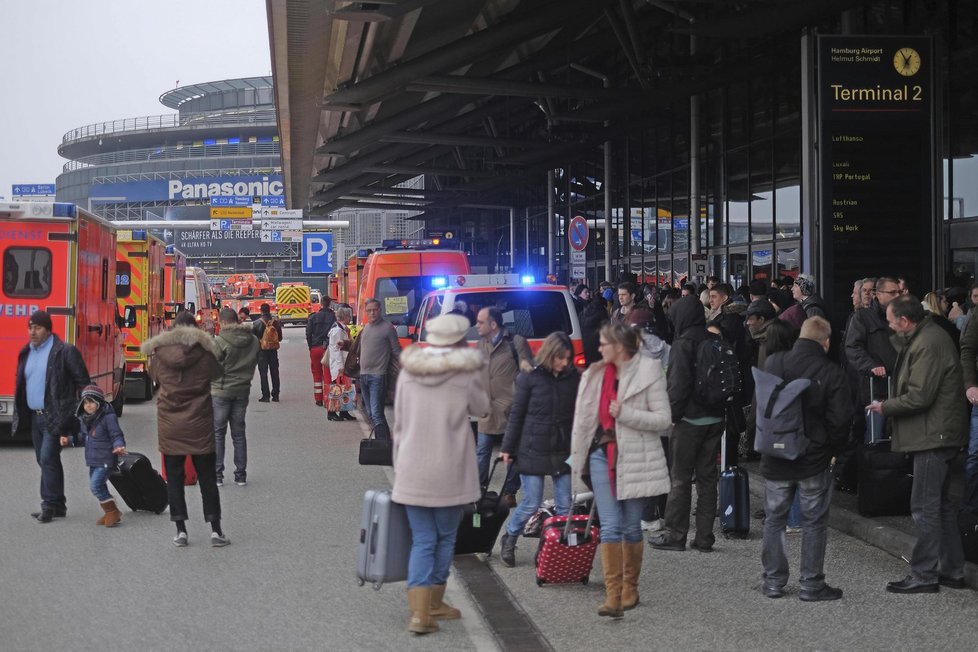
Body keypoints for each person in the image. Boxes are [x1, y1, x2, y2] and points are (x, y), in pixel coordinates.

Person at [391, 314, 489, 635]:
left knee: (422, 539)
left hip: (412, 468)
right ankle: (435, 602)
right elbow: (482, 407)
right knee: (445, 537)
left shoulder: (408, 371)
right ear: (461, 340)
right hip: (450, 470)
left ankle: (419, 615)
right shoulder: (464, 372)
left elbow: (400, 423)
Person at [570, 322, 671, 618]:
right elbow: (583, 420)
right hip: (602, 454)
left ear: (620, 347)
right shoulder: (596, 373)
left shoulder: (649, 370)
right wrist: (575, 456)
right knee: (611, 525)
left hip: (636, 456)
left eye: (604, 344)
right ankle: (612, 595)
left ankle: (631, 587)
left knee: (630, 526)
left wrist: (626, 413)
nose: (599, 349)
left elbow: (664, 420)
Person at [867, 295, 968, 593]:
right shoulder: (924, 336)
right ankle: (952, 570)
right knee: (944, 506)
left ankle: (924, 574)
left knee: (925, 508)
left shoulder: (928, 342)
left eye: (890, 321)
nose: (888, 326)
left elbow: (920, 395)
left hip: (932, 437)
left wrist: (886, 407)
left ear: (905, 321)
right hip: (942, 434)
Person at [759, 317, 851, 601]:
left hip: (775, 455)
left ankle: (773, 582)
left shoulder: (773, 362)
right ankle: (811, 584)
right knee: (813, 522)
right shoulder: (830, 371)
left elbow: (763, 406)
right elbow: (841, 420)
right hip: (813, 458)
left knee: (774, 519)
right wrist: (833, 450)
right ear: (826, 342)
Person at [143, 310, 228, 547]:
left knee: (175, 478)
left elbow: (155, 377)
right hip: (199, 422)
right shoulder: (204, 353)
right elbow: (218, 373)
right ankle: (215, 530)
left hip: (170, 424)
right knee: (207, 478)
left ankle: (181, 530)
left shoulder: (160, 354)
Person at [649, 295, 725, 553]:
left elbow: (678, 386)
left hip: (689, 420)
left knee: (680, 477)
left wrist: (669, 416)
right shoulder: (715, 339)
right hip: (715, 418)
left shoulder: (683, 344)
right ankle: (704, 538)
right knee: (707, 478)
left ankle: (675, 534)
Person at [498, 332, 580, 567]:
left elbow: (579, 415)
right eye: (560, 358)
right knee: (531, 501)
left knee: (565, 505)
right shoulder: (529, 378)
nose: (565, 363)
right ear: (549, 355)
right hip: (532, 448)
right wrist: (508, 448)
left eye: (568, 358)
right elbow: (517, 415)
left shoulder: (573, 379)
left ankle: (552, 548)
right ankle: (510, 536)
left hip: (562, 448)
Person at [14, 310, 91, 523]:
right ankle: (58, 504)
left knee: (48, 457)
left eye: (37, 328)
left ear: (48, 330)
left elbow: (82, 380)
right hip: (34, 416)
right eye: (30, 327)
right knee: (44, 459)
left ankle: (48, 505)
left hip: (56, 415)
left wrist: (84, 410)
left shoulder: (64, 351)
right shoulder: (27, 352)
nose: (33, 331)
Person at [475, 306, 533, 507]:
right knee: (482, 451)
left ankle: (510, 491)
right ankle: (479, 490)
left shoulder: (516, 343)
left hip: (511, 408)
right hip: (486, 408)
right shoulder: (480, 345)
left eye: (481, 322)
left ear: (493, 324)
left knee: (512, 453)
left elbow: (528, 373)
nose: (477, 325)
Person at [212, 307, 259, 487]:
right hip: (242, 390)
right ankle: (241, 475)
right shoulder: (253, 340)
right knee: (239, 434)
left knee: (218, 433)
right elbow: (255, 360)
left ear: (223, 322)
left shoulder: (220, 341)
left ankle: (217, 476)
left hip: (221, 391)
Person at [75, 385, 127, 527]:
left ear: (99, 403)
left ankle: (112, 512)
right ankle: (112, 512)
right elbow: (82, 437)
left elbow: (116, 434)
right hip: (93, 460)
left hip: (105, 459)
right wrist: (69, 439)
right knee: (99, 485)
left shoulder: (108, 418)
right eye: (85, 403)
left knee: (95, 486)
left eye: (91, 402)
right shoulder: (86, 420)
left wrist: (118, 445)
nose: (88, 406)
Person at [357, 298, 402, 435]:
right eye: (369, 310)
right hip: (363, 375)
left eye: (375, 310)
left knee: (376, 413)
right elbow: (360, 348)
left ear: (380, 310)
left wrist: (408, 367)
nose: (372, 313)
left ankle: (382, 444)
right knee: (371, 412)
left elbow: (396, 351)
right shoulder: (366, 328)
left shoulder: (387, 328)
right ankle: (385, 442)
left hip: (378, 375)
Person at [326, 306, 357, 421]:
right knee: (336, 388)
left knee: (344, 388)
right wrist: (340, 367)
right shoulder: (338, 330)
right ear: (345, 316)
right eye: (349, 315)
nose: (350, 318)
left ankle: (344, 411)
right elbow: (336, 350)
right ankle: (331, 413)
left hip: (342, 362)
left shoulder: (341, 329)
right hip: (339, 364)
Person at [305, 296, 337, 406]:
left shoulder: (313, 317)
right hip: (328, 349)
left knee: (317, 375)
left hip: (315, 348)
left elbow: (308, 333)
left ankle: (318, 399)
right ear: (329, 304)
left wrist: (311, 346)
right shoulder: (333, 317)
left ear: (321, 304)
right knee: (328, 375)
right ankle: (328, 399)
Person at [252, 303, 283, 402]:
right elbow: (280, 338)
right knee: (275, 372)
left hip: (262, 351)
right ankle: (276, 395)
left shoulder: (257, 323)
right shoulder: (276, 322)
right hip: (273, 350)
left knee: (263, 373)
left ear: (261, 311)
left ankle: (265, 396)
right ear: (269, 310)